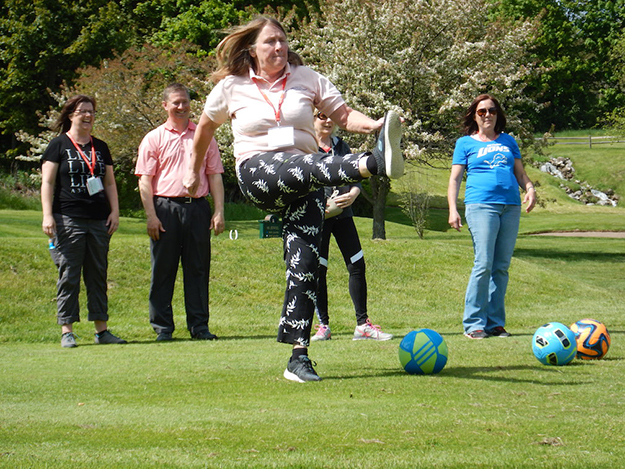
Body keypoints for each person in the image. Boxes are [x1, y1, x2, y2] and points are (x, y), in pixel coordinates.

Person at [184, 16, 404, 383]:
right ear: (252, 49)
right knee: (304, 164)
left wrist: (379, 126)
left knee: (303, 266)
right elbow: (205, 128)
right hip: (258, 173)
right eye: (270, 42)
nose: (279, 48)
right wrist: (193, 171)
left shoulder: (308, 77)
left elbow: (345, 116)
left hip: (307, 183)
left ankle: (298, 357)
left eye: (283, 40)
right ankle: (371, 163)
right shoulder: (231, 87)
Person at [135, 83, 225, 342]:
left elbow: (215, 176)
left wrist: (218, 211)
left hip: (197, 209)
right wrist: (151, 216)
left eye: (185, 101)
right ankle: (163, 328)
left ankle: (199, 327)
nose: (182, 106)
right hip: (165, 209)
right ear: (165, 105)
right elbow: (145, 181)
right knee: (163, 270)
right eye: (176, 102)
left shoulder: (204, 135)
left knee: (198, 270)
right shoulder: (154, 138)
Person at [447, 94, 536, 340]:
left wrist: (529, 188)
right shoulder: (465, 143)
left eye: (492, 110)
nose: (487, 115)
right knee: (483, 263)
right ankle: (474, 324)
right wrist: (453, 209)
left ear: (498, 114)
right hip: (481, 206)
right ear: (474, 116)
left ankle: (495, 324)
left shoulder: (508, 141)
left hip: (510, 206)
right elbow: (454, 179)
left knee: (501, 267)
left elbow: (520, 174)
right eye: (482, 111)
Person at [41, 95, 127, 348]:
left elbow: (109, 182)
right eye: (82, 112)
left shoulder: (100, 147)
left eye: (91, 112)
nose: (88, 116)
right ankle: (67, 330)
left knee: (98, 274)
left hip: (99, 219)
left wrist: (115, 212)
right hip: (68, 218)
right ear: (71, 115)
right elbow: (47, 183)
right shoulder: (58, 145)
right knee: (69, 273)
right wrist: (47, 215)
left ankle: (102, 331)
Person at [311, 110, 393, 342]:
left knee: (357, 265)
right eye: (320, 115)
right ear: (312, 119)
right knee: (319, 270)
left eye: (330, 116)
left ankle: (362, 326)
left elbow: (354, 177)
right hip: (320, 219)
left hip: (344, 216)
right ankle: (322, 326)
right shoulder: (306, 146)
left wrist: (354, 193)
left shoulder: (342, 147)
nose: (327, 121)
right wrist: (320, 205)